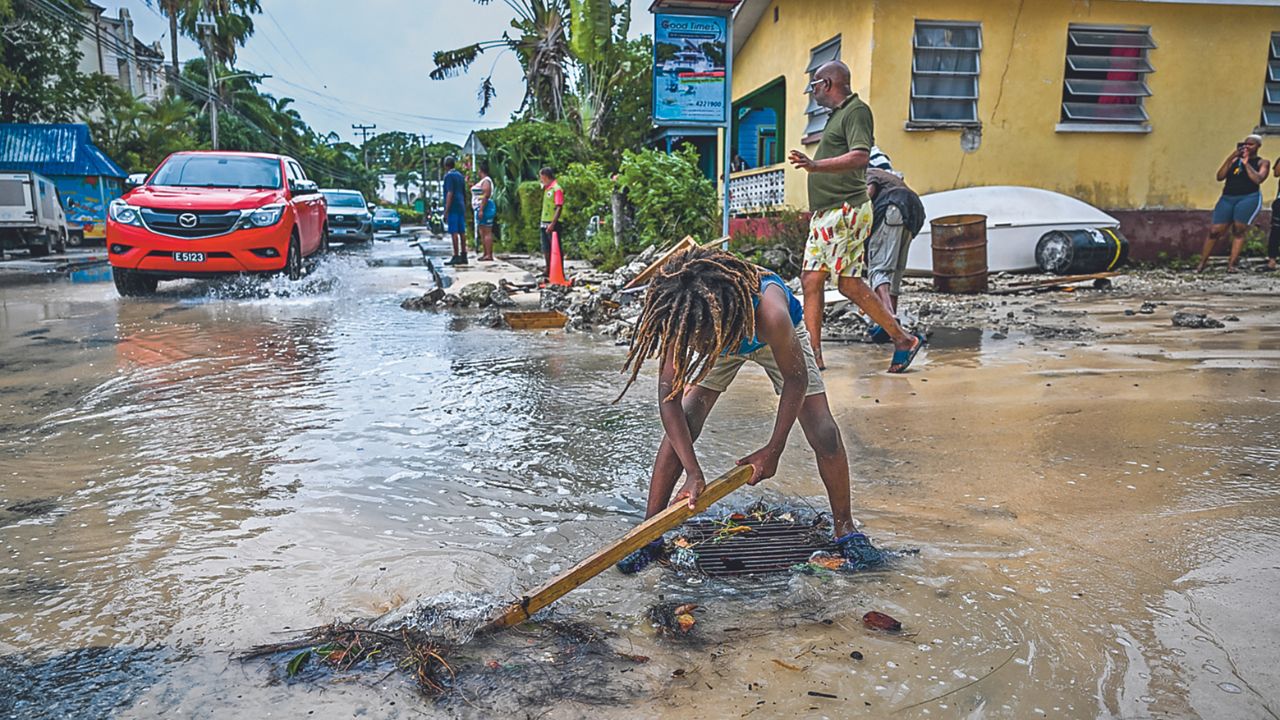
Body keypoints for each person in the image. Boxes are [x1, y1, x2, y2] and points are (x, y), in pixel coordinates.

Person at [613, 246, 887, 573]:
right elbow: (668, 397)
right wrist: (693, 472)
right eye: (693, 344)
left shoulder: (771, 311)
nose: (694, 350)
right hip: (721, 336)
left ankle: (846, 529)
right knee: (685, 421)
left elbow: (795, 381)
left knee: (824, 433)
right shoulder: (683, 318)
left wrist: (774, 448)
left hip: (770, 339)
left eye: (696, 342)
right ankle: (649, 533)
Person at [787, 60, 924, 372]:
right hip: (832, 211)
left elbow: (861, 156)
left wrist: (815, 166)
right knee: (842, 283)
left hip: (844, 209)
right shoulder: (839, 115)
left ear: (829, 83)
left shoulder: (856, 111)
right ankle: (900, 340)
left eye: (815, 85)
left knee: (814, 278)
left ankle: (815, 355)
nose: (813, 92)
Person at [864, 168, 925, 342]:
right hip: (914, 212)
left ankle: (889, 317)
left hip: (893, 207)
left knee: (878, 269)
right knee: (896, 271)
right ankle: (893, 328)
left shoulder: (866, 171)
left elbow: (869, 192)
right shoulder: (889, 177)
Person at [1197, 135, 1269, 274]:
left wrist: (1246, 163)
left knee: (1239, 229)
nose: (1247, 147)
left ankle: (1231, 265)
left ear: (1258, 146)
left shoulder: (1262, 162)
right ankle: (1202, 263)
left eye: (1251, 144)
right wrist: (1231, 158)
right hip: (1228, 197)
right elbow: (1220, 176)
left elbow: (1258, 179)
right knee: (1215, 230)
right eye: (1245, 144)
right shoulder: (1234, 160)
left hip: (1248, 197)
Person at [442, 157, 469, 266]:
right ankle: (464, 255)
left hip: (453, 206)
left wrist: (446, 210)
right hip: (461, 205)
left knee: (454, 232)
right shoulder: (460, 176)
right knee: (462, 232)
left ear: (445, 166)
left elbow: (450, 193)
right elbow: (464, 192)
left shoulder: (448, 176)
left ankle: (456, 255)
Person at [539, 167, 565, 277]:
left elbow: (559, 207)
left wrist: (553, 223)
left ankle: (559, 270)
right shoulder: (547, 189)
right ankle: (548, 268)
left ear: (545, 176)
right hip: (544, 220)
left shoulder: (556, 189)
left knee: (556, 247)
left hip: (553, 222)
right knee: (545, 247)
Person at [471, 161, 496, 262]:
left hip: (485, 207)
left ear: (481, 171)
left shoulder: (486, 181)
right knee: (482, 231)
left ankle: (489, 254)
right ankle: (485, 253)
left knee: (487, 231)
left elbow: (486, 194)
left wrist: (481, 209)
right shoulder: (483, 181)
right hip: (481, 207)